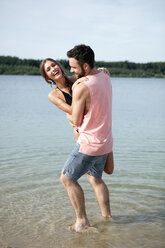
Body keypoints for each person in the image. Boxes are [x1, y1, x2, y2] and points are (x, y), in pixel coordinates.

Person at [60, 44, 113, 232]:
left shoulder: (82, 86)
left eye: (74, 67)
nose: (71, 71)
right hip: (105, 142)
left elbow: (76, 118)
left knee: (67, 179)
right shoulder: (105, 76)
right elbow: (101, 72)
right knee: (95, 179)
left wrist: (67, 116)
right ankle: (107, 217)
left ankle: (82, 221)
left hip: (89, 144)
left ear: (85, 66)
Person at [40, 58, 114, 174]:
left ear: (59, 66)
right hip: (82, 133)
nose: (53, 69)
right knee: (92, 174)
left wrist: (103, 70)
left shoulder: (76, 78)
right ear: (47, 77)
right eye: (48, 69)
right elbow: (72, 111)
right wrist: (75, 90)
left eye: (54, 65)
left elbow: (93, 74)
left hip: (100, 129)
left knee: (109, 169)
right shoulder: (53, 95)